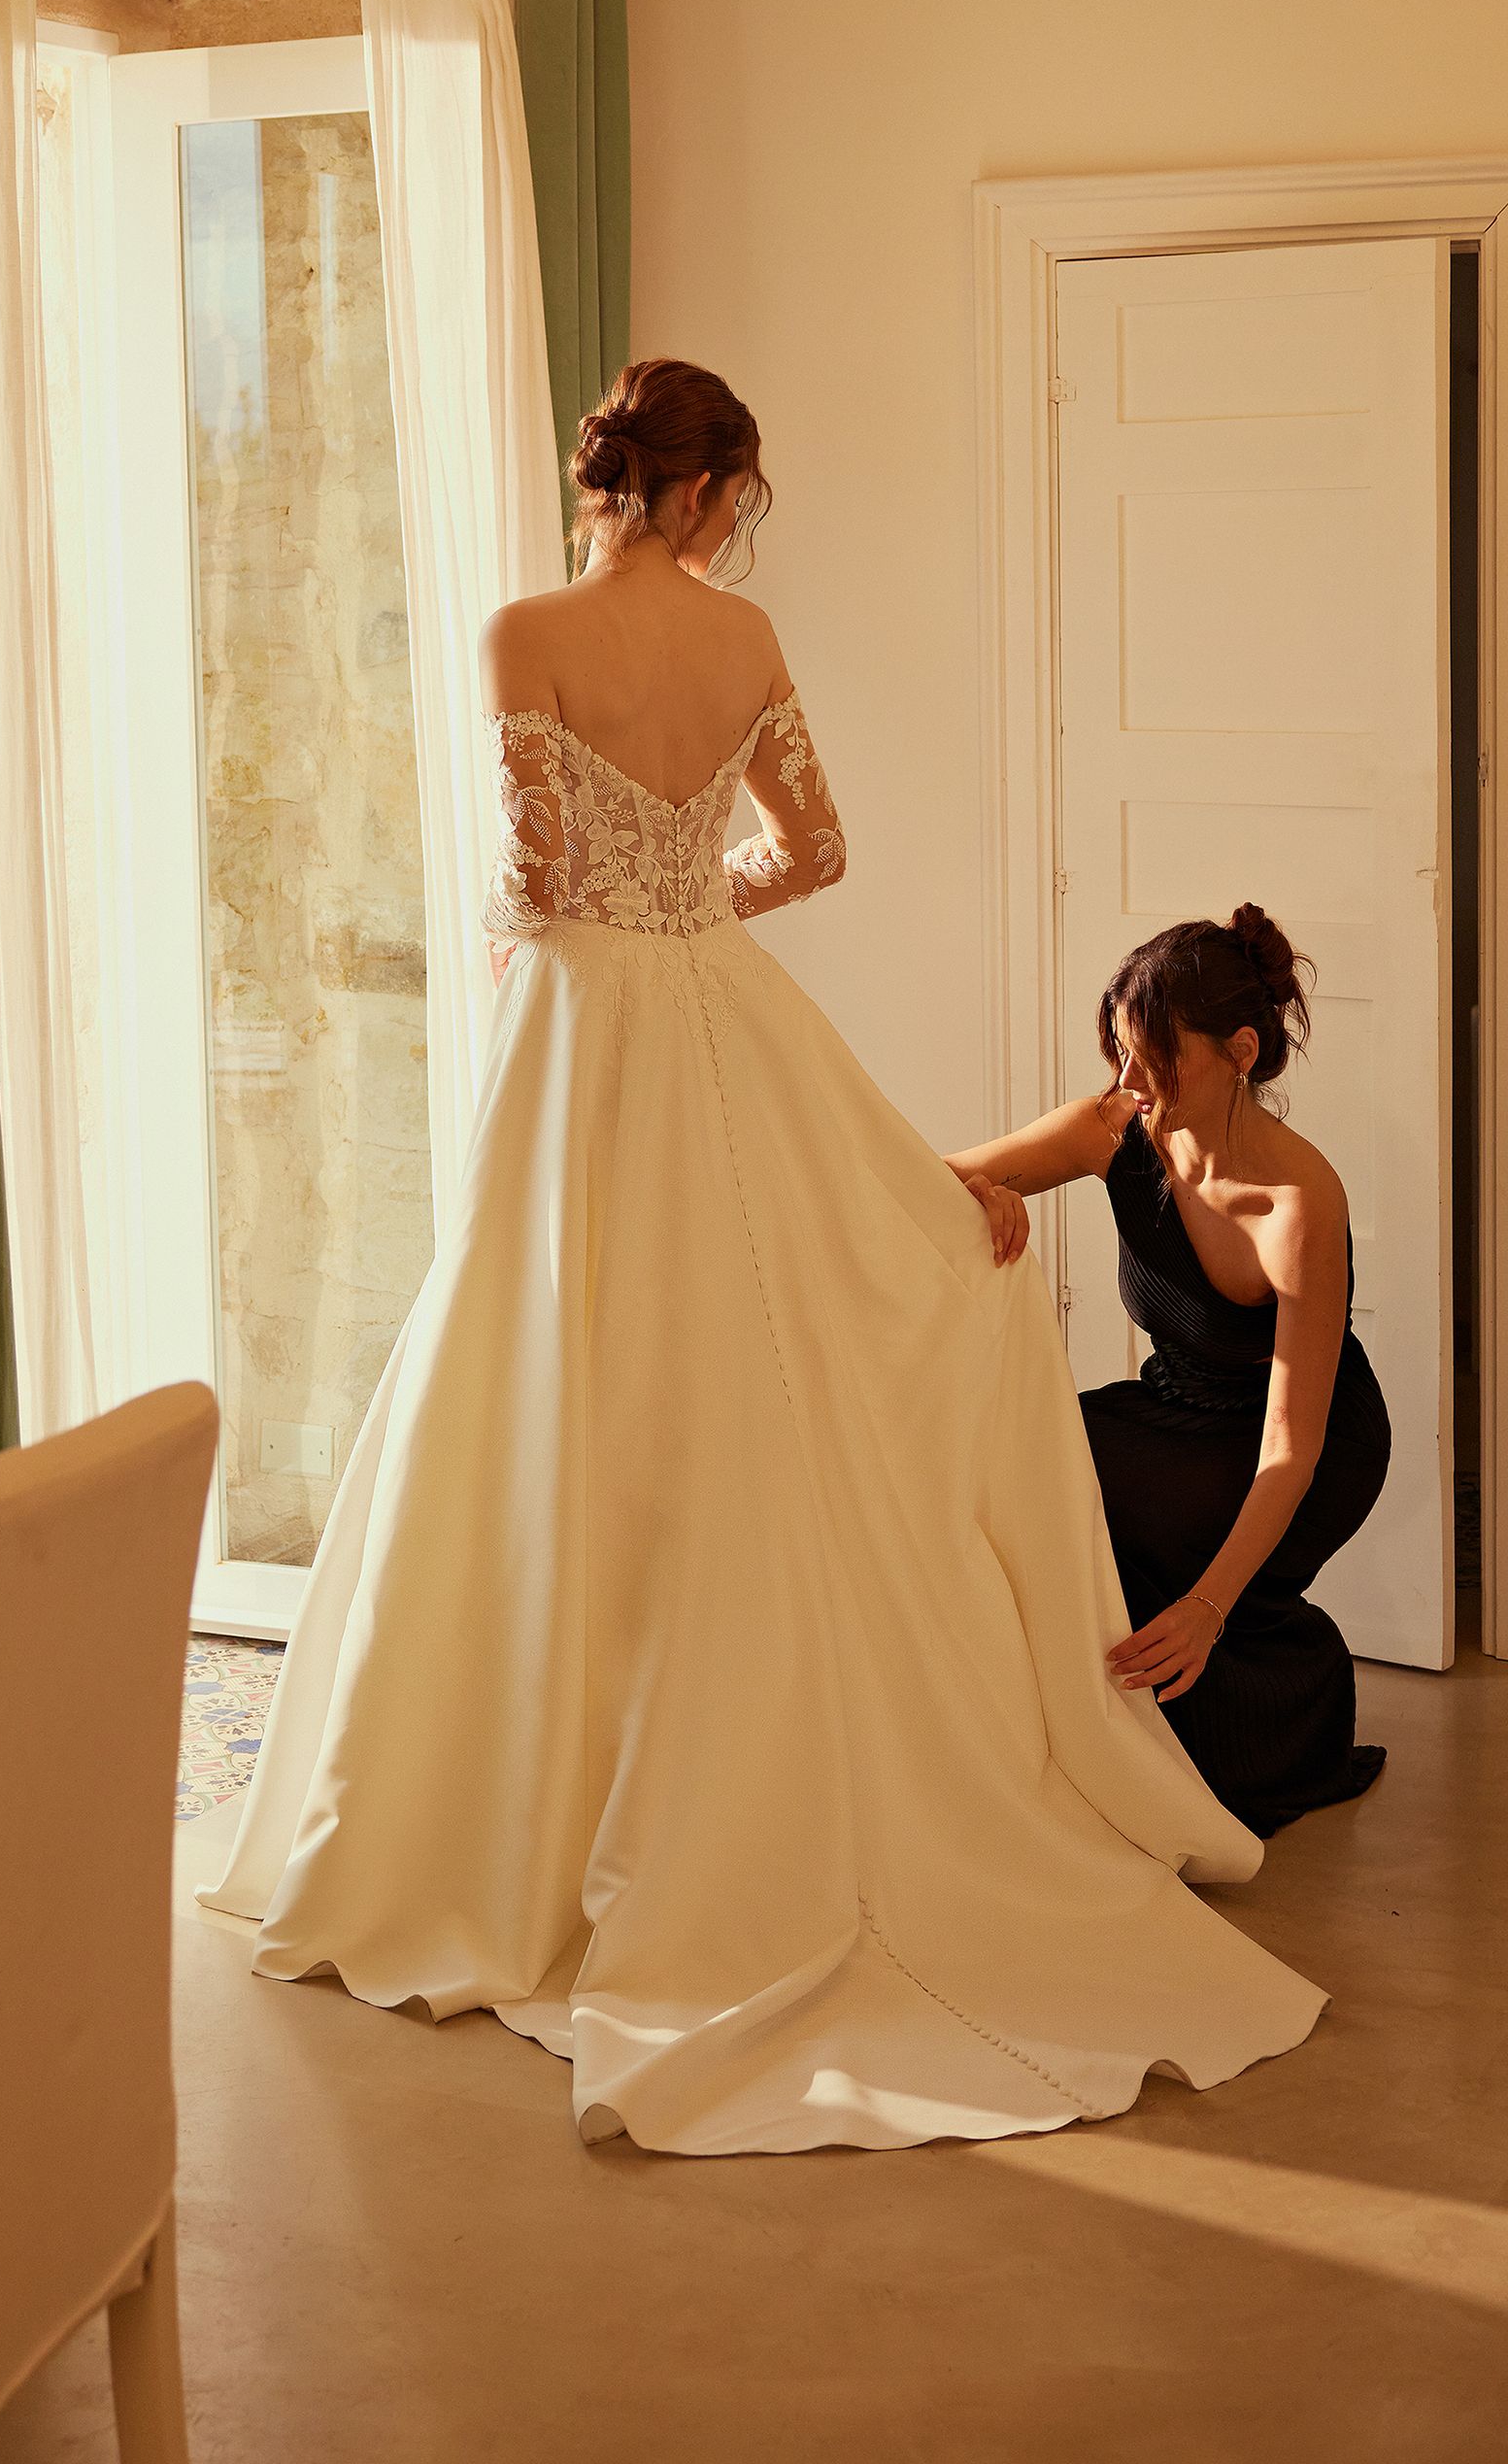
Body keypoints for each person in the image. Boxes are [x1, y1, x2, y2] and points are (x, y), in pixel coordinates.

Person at [200, 358, 1324, 2156]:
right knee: (757, 1364)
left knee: (548, 1368)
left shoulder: (519, 630)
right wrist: (691, 902)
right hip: (719, 1016)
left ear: (615, 476)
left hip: (579, 1035)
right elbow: (819, 848)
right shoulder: (745, 642)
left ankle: (498, 1823)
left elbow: (539, 869)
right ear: (718, 493)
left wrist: (586, 916)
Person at [947, 910, 1389, 1837]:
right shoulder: (1115, 1129)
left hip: (1305, 1440)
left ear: (1239, 1050)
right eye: (1119, 1053)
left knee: (1178, 1571)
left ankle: (1284, 1701)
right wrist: (984, 1192)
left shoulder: (1299, 1202)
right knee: (1026, 1463)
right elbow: (924, 1180)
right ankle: (1071, 1741)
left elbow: (1290, 1443)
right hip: (1176, 1408)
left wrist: (1207, 1606)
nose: (1129, 1081)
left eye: (1153, 1056)